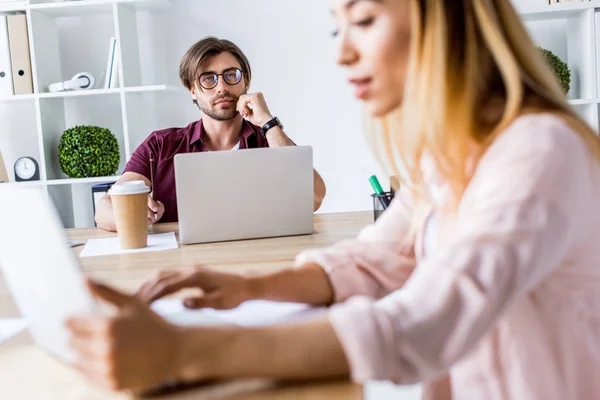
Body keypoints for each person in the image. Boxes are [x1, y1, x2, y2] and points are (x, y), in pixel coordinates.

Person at [67, 0, 600, 398]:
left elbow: (423, 322)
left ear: (447, 19)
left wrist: (184, 351)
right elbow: (376, 259)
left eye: (364, 21)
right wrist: (248, 286)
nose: (342, 52)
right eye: (336, 27)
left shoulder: (536, 149)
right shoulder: (447, 154)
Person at [94, 37, 327, 231]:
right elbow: (104, 209)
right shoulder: (161, 145)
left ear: (245, 82)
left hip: (256, 260)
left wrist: (268, 122)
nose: (221, 87)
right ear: (193, 90)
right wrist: (135, 217)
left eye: (231, 75)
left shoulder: (269, 141)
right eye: (208, 79)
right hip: (183, 265)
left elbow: (314, 197)